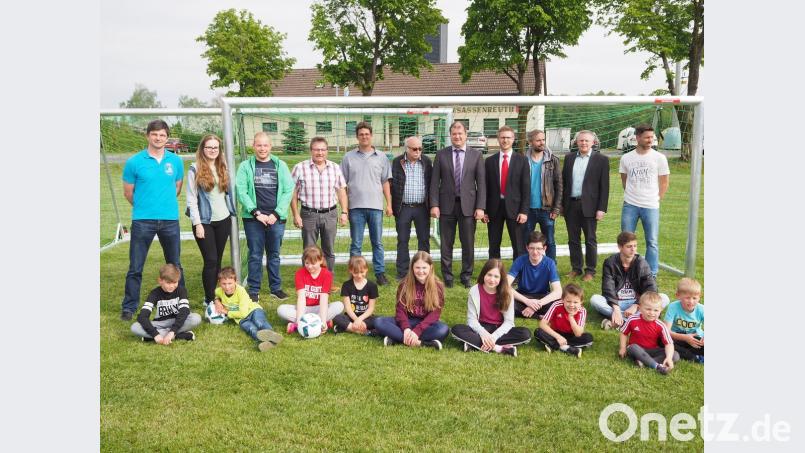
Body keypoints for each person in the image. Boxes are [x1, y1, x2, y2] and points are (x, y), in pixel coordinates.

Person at [120, 119, 185, 321]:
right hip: (142, 220)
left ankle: (181, 303)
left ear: (167, 138)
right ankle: (129, 307)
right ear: (148, 136)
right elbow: (128, 193)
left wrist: (162, 205)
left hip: (169, 220)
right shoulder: (134, 162)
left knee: (175, 264)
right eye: (155, 134)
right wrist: (145, 206)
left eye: (162, 135)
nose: (158, 138)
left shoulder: (175, 161)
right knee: (136, 267)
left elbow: (177, 188)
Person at [236, 132, 294, 302]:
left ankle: (275, 288)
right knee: (255, 254)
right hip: (254, 219)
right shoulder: (245, 166)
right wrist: (256, 212)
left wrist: (276, 214)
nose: (262, 148)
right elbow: (241, 191)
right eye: (259, 145)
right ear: (253, 146)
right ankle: (254, 289)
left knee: (274, 254)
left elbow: (288, 190)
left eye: (265, 145)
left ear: (270, 146)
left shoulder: (280, 165)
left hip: (276, 218)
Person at [429, 121, 486, 288]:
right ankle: (447, 277)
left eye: (460, 134)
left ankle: (466, 275)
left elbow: (481, 184)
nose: (457, 136)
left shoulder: (476, 155)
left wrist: (480, 207)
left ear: (466, 135)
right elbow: (434, 182)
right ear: (450, 136)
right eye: (454, 134)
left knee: (468, 243)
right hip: (446, 206)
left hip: (468, 207)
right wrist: (434, 204)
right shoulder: (441, 155)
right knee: (446, 243)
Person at [339, 122, 393, 286]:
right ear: (357, 137)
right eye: (361, 134)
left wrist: (389, 203)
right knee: (356, 244)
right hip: (355, 207)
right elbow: (342, 184)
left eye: (366, 134)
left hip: (376, 207)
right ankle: (355, 273)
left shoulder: (381, 157)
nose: (364, 137)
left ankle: (380, 273)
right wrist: (345, 209)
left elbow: (385, 182)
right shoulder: (348, 157)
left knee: (377, 242)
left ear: (371, 135)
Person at [185, 134, 236, 307]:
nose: (212, 150)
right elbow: (191, 199)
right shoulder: (195, 169)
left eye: (215, 147)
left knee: (218, 260)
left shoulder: (223, 166)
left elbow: (226, 194)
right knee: (211, 260)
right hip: (205, 222)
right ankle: (209, 299)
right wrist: (197, 223)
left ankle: (217, 293)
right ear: (202, 149)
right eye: (209, 147)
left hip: (223, 220)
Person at [290, 136, 349, 273]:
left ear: (327, 151)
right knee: (309, 250)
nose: (320, 153)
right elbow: (292, 194)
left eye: (323, 150)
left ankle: (327, 279)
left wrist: (344, 212)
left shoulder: (335, 168)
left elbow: (341, 191)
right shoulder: (300, 168)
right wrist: (296, 215)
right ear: (311, 150)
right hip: (309, 214)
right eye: (316, 150)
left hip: (330, 214)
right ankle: (309, 281)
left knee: (329, 249)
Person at [450, 259, 532, 356]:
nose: (492, 280)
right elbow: (471, 320)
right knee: (456, 329)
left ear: (501, 278)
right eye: (489, 275)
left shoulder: (508, 292)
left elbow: (509, 322)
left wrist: (493, 337)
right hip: (481, 327)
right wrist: (483, 333)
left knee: (525, 334)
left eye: (496, 276)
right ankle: (499, 349)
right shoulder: (474, 290)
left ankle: (473, 344)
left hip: (499, 329)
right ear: (484, 274)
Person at [590, 231, 669, 330]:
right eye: (629, 246)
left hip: (637, 303)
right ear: (620, 247)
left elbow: (651, 288)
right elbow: (608, 288)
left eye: (635, 246)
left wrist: (636, 305)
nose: (633, 250)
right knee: (595, 299)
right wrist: (616, 308)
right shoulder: (610, 263)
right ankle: (634, 319)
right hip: (617, 302)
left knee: (664, 298)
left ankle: (619, 322)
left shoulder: (641, 263)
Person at [619, 124, 670, 277]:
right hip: (630, 205)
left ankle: (651, 273)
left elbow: (664, 182)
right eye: (647, 137)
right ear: (638, 138)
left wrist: (656, 198)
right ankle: (626, 270)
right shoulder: (626, 158)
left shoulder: (659, 158)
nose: (651, 140)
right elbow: (624, 180)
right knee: (626, 239)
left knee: (652, 241)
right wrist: (632, 195)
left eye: (652, 137)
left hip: (651, 206)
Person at [561, 130, 609, 282]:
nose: (583, 143)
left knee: (590, 239)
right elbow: (564, 183)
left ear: (593, 143)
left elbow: (604, 187)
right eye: (581, 141)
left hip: (590, 206)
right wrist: (562, 205)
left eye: (587, 141)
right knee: (573, 239)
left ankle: (590, 270)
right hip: (571, 205)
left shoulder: (601, 160)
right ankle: (576, 268)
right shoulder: (568, 159)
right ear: (577, 142)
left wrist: (601, 208)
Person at [374, 251, 449, 349]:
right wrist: (406, 328)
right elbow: (400, 310)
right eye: (417, 267)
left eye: (424, 268)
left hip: (426, 324)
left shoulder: (438, 286)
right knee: (379, 322)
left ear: (430, 268)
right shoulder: (404, 284)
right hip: (408, 321)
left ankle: (396, 339)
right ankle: (422, 343)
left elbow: (435, 314)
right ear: (412, 268)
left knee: (443, 329)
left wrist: (417, 331)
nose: (421, 271)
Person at [483, 125, 530, 260]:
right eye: (502, 137)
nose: (505, 140)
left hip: (515, 209)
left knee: (518, 245)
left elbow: (526, 188)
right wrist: (485, 210)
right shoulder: (489, 161)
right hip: (494, 208)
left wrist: (524, 211)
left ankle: (517, 275)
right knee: (493, 244)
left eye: (508, 137)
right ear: (498, 139)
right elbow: (485, 186)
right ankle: (494, 273)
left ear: (513, 139)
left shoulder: (522, 160)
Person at [390, 135, 433, 280]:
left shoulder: (427, 162)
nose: (418, 151)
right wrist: (391, 205)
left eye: (420, 148)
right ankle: (402, 272)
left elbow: (431, 184)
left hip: (422, 207)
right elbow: (391, 184)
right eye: (414, 148)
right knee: (402, 239)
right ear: (406, 149)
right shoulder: (397, 162)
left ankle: (425, 270)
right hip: (403, 208)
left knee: (424, 239)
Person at [213, 267, 284, 352]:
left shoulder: (241, 291)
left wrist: (227, 312)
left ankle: (272, 335)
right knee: (251, 329)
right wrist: (217, 301)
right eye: (224, 284)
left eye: (230, 283)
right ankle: (266, 343)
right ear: (219, 283)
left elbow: (243, 313)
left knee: (259, 322)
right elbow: (216, 296)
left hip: (253, 311)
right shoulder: (218, 291)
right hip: (240, 319)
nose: (227, 287)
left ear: (235, 282)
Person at [278, 245, 345, 334]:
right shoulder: (299, 273)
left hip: (319, 308)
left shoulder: (327, 274)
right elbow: (301, 299)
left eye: (313, 263)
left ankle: (309, 323)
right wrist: (299, 319)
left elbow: (324, 299)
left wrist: (323, 319)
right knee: (281, 309)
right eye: (307, 263)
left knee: (339, 305)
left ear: (321, 260)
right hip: (304, 308)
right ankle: (311, 323)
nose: (309, 266)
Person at [130, 264, 201, 343]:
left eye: (175, 282)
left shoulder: (181, 290)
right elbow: (142, 316)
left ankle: (157, 336)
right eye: (168, 283)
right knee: (135, 327)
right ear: (160, 281)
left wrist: (172, 331)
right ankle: (179, 335)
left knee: (196, 318)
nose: (172, 286)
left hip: (177, 320)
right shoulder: (154, 293)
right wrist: (155, 334)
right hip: (160, 323)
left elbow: (184, 311)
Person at [522, 129, 562, 262]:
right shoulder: (522, 159)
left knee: (550, 241)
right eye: (538, 140)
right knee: (526, 242)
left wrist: (556, 209)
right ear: (530, 142)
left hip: (547, 209)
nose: (542, 142)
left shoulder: (553, 160)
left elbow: (559, 185)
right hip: (527, 210)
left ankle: (551, 269)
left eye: (543, 139)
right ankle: (525, 268)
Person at [618, 292, 680, 375]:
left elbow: (669, 343)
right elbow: (623, 333)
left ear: (660, 311)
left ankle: (643, 362)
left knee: (675, 355)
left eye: (656, 310)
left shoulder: (661, 325)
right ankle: (656, 366)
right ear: (640, 308)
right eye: (648, 309)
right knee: (632, 347)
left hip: (652, 350)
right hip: (637, 349)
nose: (652, 313)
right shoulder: (632, 319)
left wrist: (669, 357)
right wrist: (622, 348)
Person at [506, 231, 562, 319]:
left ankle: (529, 312)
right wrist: (527, 301)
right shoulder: (520, 260)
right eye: (532, 248)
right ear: (527, 248)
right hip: (524, 296)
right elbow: (505, 285)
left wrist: (537, 304)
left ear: (544, 248)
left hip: (542, 297)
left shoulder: (550, 263)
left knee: (562, 301)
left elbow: (558, 291)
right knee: (503, 299)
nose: (535, 252)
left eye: (539, 249)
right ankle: (539, 316)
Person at [534, 283, 593, 357]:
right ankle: (567, 348)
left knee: (588, 338)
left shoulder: (582, 310)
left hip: (572, 335)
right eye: (568, 301)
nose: (571, 305)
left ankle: (553, 345)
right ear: (562, 300)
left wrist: (571, 317)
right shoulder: (556, 305)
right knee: (538, 332)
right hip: (555, 333)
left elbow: (578, 333)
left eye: (575, 302)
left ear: (581, 302)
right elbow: (542, 324)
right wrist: (558, 337)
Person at [332, 256, 379, 335]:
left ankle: (345, 328)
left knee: (379, 320)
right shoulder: (346, 285)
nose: (359, 275)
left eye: (362, 272)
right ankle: (363, 331)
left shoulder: (372, 286)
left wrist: (360, 319)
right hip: (351, 317)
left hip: (366, 317)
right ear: (350, 270)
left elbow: (371, 308)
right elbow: (348, 308)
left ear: (366, 269)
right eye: (356, 272)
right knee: (337, 318)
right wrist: (356, 319)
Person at [663, 278, 704, 363]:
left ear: (699, 297)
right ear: (678, 296)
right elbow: (666, 331)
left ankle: (690, 353)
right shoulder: (673, 307)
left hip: (695, 338)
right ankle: (693, 357)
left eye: (694, 298)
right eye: (687, 298)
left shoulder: (702, 309)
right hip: (677, 337)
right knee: (661, 340)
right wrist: (685, 338)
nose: (691, 301)